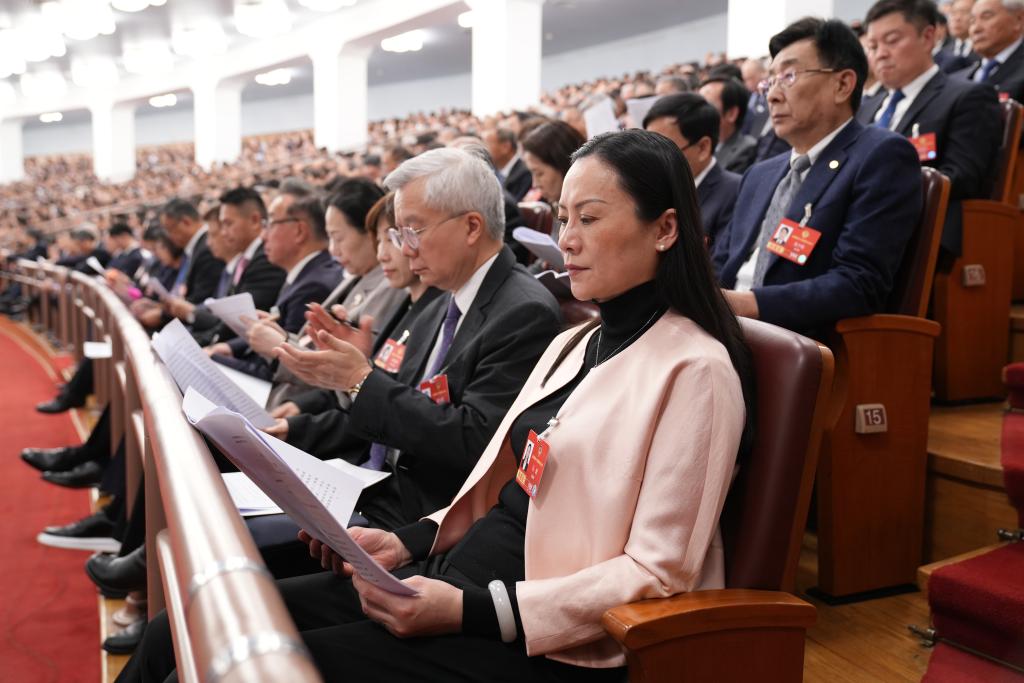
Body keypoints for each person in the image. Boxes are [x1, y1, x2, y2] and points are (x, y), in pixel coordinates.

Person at [120, 129, 753, 683]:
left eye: (588, 219)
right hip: (454, 579)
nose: (567, 240)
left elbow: (657, 575)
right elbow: (498, 478)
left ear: (664, 228)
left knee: (240, 664)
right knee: (178, 629)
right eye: (563, 219)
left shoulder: (695, 370)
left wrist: (473, 610)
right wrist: (406, 542)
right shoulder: (577, 340)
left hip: (542, 638)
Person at [264, 147, 563, 534]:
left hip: (425, 521)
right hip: (374, 487)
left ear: (472, 227)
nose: (405, 249)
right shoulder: (442, 301)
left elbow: (473, 442)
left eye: (413, 231)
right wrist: (347, 382)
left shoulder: (523, 312)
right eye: (398, 234)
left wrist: (360, 380)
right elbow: (402, 404)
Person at [714, 17, 923, 340]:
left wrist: (746, 304)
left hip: (793, 340)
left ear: (842, 85)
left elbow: (858, 283)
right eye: (771, 81)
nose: (772, 95)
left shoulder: (880, 156)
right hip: (724, 329)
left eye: (789, 76)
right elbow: (720, 264)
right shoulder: (759, 174)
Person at [860, 0, 1001, 255]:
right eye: (873, 46)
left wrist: (872, 193)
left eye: (891, 41)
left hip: (918, 232)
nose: (880, 54)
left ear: (927, 37)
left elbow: (961, 177)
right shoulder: (866, 108)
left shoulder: (967, 96)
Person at [644, 93, 742, 245]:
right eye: (647, 149)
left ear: (703, 147)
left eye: (663, 151)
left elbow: (721, 258)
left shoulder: (736, 192)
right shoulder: (650, 191)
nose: (652, 160)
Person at [953, 0, 1024, 102]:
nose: (976, 29)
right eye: (972, 21)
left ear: (1018, 20)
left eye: (986, 17)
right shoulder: (957, 78)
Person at [521, 120, 587, 220]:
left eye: (539, 173)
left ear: (564, 165)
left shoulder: (591, 212)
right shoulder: (556, 207)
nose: (535, 184)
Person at [699, 75, 758, 173]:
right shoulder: (694, 145)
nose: (695, 112)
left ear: (731, 114)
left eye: (705, 107)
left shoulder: (746, 149)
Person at [483, 127, 533, 201]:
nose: (484, 149)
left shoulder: (525, 174)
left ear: (505, 147)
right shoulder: (490, 169)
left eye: (488, 144)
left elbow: (513, 205)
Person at [935, 0, 980, 71]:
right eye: (953, 13)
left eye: (964, 12)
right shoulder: (941, 53)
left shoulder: (986, 49)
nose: (957, 18)